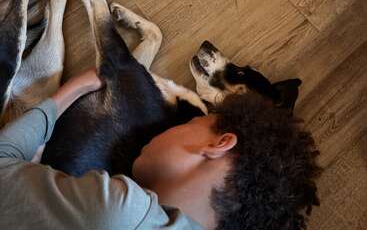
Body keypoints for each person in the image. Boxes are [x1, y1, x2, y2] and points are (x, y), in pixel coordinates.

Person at [0, 68, 320, 230]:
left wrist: (73, 90)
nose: (170, 128)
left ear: (219, 144)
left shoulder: (121, 213)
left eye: (189, 124)